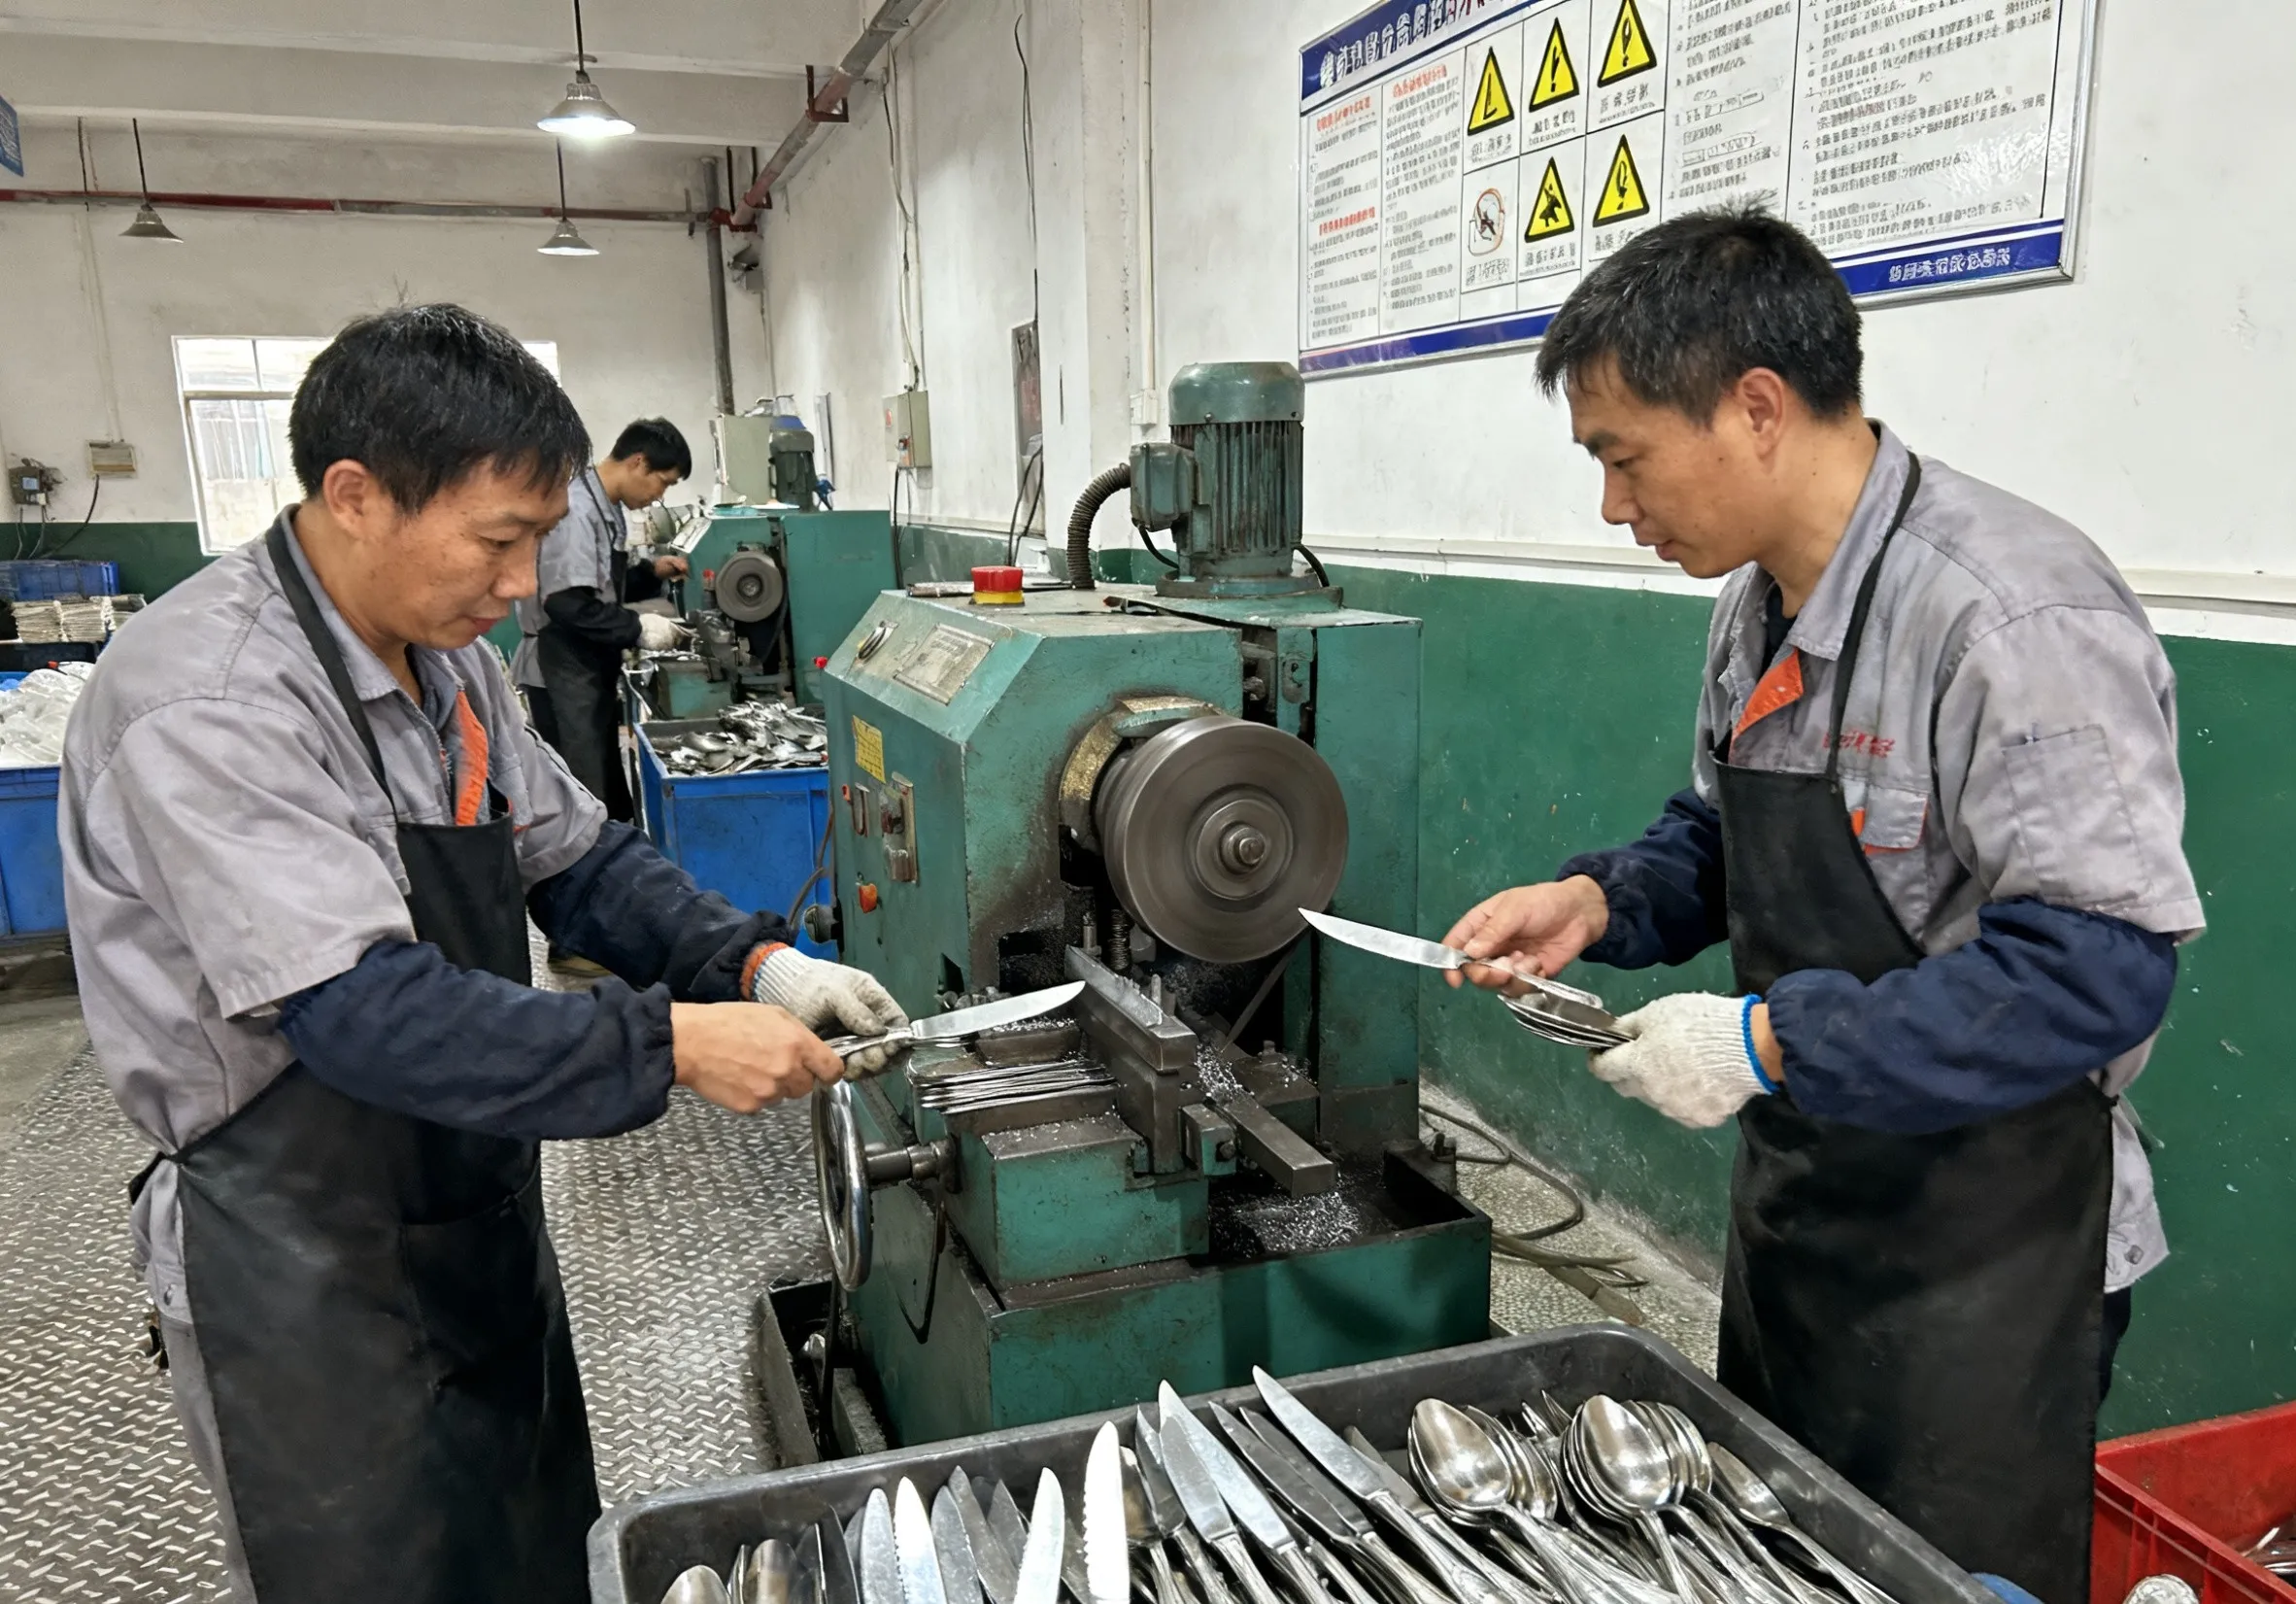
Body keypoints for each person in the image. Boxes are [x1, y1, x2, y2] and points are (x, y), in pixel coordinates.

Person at [59, 305, 908, 1604]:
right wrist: (673, 1041)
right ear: (355, 495)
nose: (524, 584)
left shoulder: (447, 669)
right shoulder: (214, 696)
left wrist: (753, 965)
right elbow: (362, 1013)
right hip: (299, 1264)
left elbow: (579, 861)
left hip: (470, 1216)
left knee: (531, 1553)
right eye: (500, 540)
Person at [1443, 208, 2199, 1601]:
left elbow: (2095, 969)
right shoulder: (1757, 611)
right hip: (1805, 1226)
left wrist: (1765, 1046)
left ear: (1754, 409)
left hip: (1989, 1260)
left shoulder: (2010, 617)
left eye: (1623, 458)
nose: (1616, 507)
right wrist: (1594, 902)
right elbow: (1728, 839)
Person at [513, 416, 694, 821]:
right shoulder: (576, 510)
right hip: (562, 665)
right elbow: (566, 604)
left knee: (605, 790)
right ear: (638, 463)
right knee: (582, 796)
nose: (659, 496)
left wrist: (650, 573)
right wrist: (639, 629)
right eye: (663, 483)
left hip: (585, 664)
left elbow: (596, 588)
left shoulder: (603, 506)